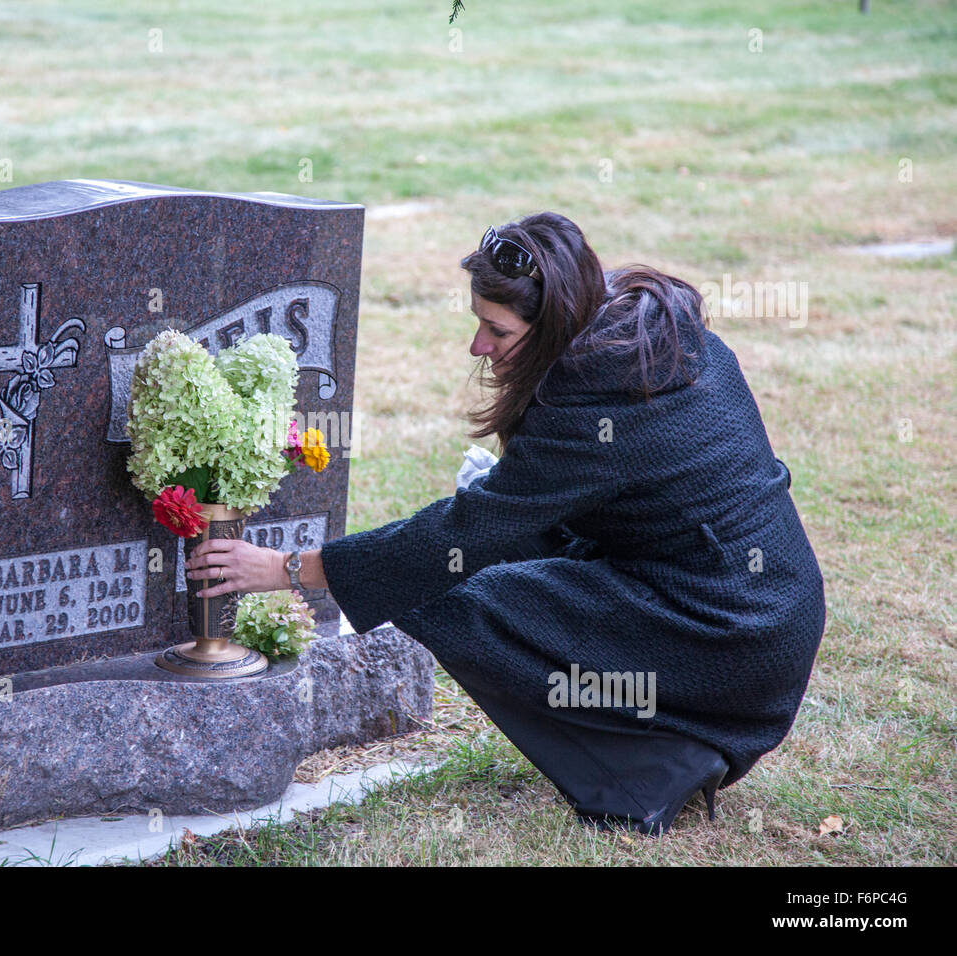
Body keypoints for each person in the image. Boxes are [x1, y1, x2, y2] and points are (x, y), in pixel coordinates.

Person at [185, 212, 826, 836]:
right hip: (772, 607)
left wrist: (290, 569)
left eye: (496, 330)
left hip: (731, 633)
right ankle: (668, 746)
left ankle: (650, 768)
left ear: (549, 327)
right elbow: (535, 522)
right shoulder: (658, 341)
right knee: (504, 567)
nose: (478, 346)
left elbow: (465, 537)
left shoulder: (587, 408)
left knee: (461, 599)